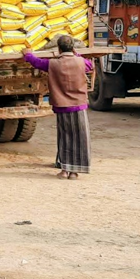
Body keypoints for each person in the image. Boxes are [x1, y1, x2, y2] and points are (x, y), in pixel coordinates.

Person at [23, 35, 93, 180]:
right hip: (79, 105)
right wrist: (76, 53)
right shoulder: (81, 62)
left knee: (65, 137)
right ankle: (75, 172)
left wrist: (28, 54)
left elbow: (37, 63)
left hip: (62, 106)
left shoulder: (52, 64)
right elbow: (90, 66)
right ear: (72, 48)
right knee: (80, 138)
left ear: (59, 48)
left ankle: (64, 170)